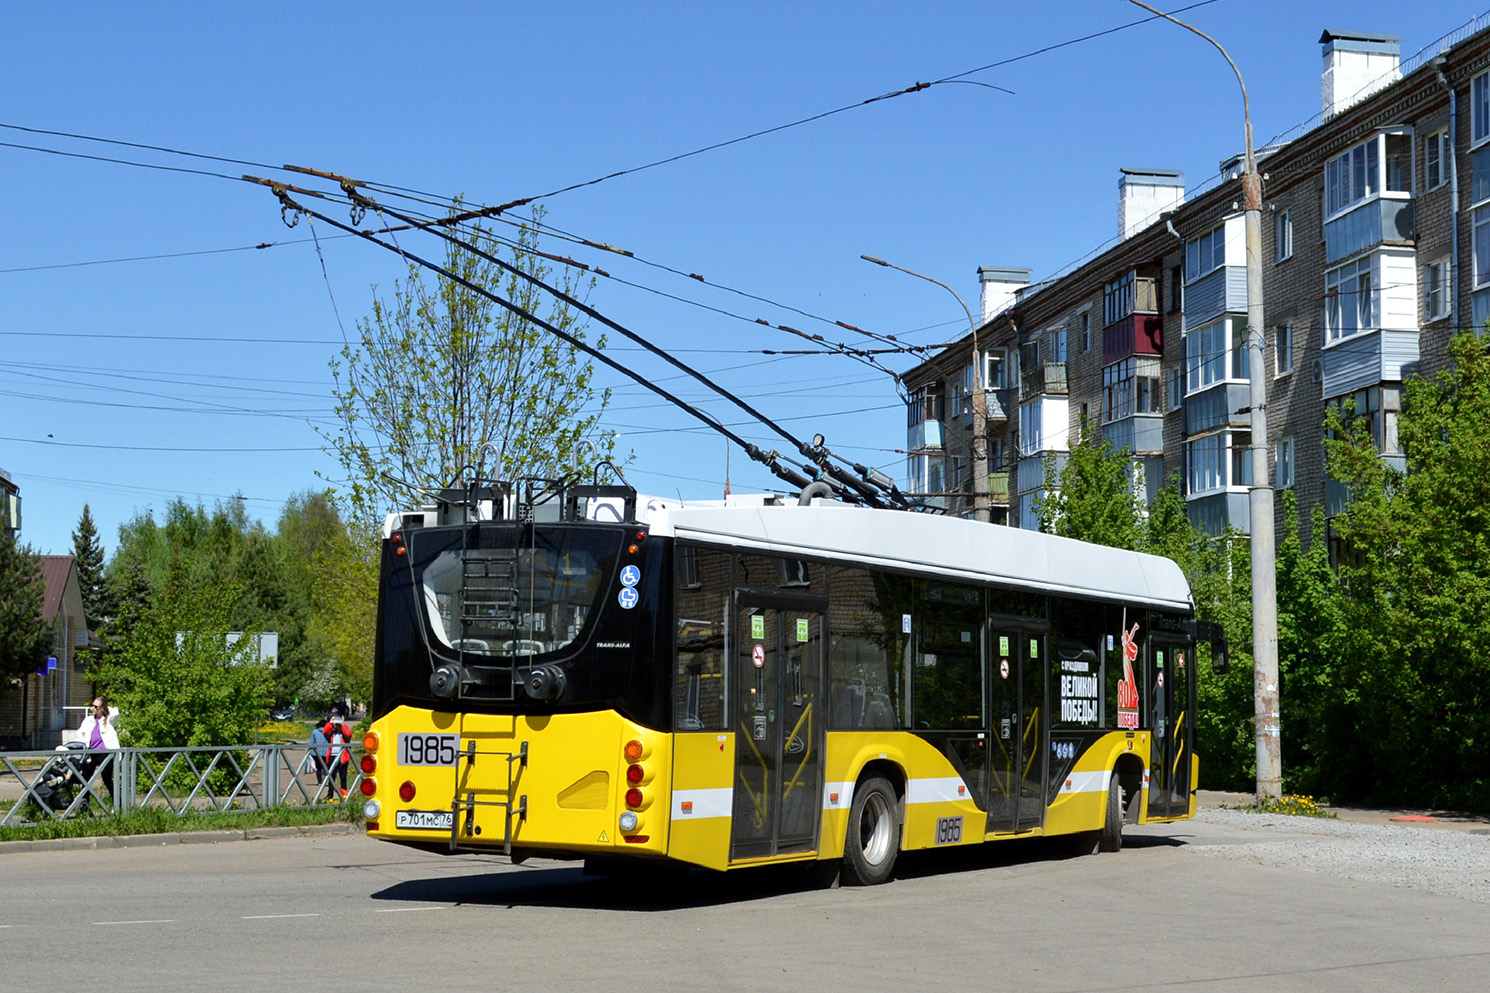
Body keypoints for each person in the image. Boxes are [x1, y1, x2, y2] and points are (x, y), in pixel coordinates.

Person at [76, 696, 119, 803]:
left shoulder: (108, 719)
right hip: (90, 753)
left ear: (102, 708)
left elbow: (116, 712)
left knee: (107, 778)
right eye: (92, 705)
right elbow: (80, 733)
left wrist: (105, 708)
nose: (92, 708)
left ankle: (118, 803)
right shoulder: (89, 720)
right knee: (86, 779)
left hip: (105, 753)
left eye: (96, 706)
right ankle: (84, 804)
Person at [321, 706, 354, 798]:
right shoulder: (331, 732)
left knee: (343, 777)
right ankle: (330, 794)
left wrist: (343, 724)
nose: (337, 725)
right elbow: (324, 731)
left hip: (342, 757)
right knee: (331, 776)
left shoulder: (344, 732)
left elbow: (349, 734)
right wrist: (330, 723)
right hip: (332, 756)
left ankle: (344, 795)